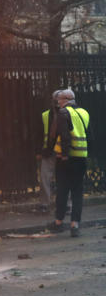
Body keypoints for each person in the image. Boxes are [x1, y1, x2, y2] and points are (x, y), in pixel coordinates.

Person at [49, 89, 90, 237]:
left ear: (66, 100)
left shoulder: (63, 113)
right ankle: (75, 225)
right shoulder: (84, 113)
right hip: (81, 157)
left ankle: (59, 222)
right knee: (77, 192)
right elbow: (88, 134)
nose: (58, 102)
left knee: (62, 191)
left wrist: (64, 155)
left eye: (59, 99)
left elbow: (65, 136)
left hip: (66, 159)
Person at [37, 90, 61, 213]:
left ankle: (65, 204)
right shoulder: (45, 115)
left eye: (59, 98)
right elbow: (40, 133)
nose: (57, 101)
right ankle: (44, 204)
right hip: (49, 150)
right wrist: (39, 151)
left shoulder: (68, 113)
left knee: (63, 179)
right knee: (45, 177)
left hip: (63, 151)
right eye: (55, 98)